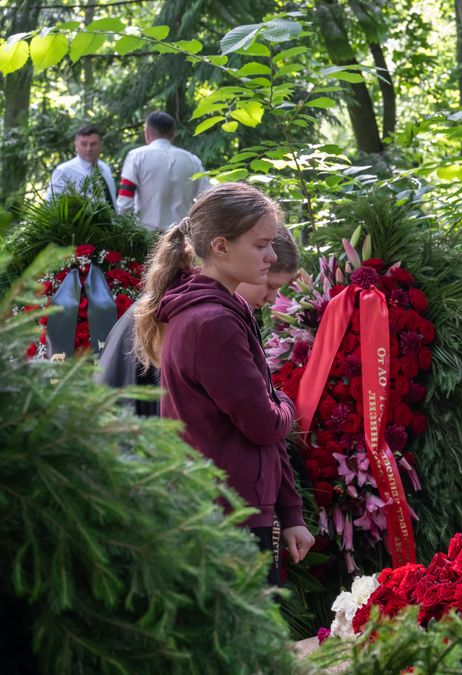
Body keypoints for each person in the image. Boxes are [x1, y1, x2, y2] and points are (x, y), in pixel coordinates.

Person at [132, 183, 313, 582]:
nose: (270, 255)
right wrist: (284, 402)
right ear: (221, 246)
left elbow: (261, 429)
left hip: (235, 511)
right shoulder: (212, 323)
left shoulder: (224, 311)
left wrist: (290, 512)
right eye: (261, 244)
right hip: (226, 520)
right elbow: (264, 423)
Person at [97, 226, 301, 417]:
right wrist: (281, 401)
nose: (272, 299)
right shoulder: (201, 317)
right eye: (271, 286)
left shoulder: (184, 300)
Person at [117, 111, 211, 231]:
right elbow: (207, 198)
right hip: (181, 237)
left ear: (147, 133)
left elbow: (125, 201)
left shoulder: (136, 157)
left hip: (146, 236)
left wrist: (124, 230)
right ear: (172, 134)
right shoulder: (192, 160)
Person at [47, 124, 116, 206]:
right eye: (83, 144)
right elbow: (52, 205)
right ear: (76, 145)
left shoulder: (105, 168)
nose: (88, 148)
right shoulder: (64, 171)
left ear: (101, 145)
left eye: (93, 144)